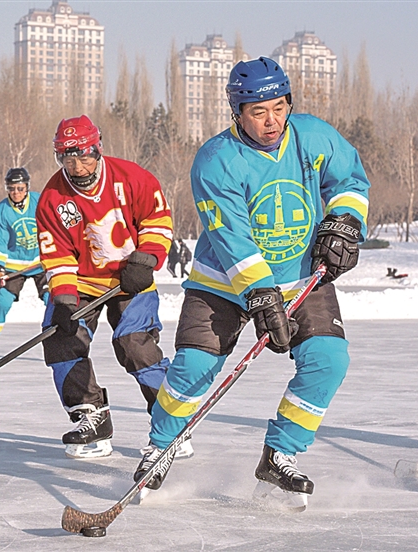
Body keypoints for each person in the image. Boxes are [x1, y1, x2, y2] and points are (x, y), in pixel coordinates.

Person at [133, 57, 370, 510]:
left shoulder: (314, 136)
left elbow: (350, 180)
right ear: (237, 112)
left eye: (279, 108)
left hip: (300, 276)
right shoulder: (216, 160)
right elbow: (232, 237)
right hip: (222, 281)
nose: (272, 121)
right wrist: (260, 294)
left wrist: (344, 220)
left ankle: (280, 455)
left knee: (328, 360)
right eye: (259, 112)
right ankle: (160, 446)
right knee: (194, 367)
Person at [36, 114, 187, 460]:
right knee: (61, 339)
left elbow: (157, 220)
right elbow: (57, 255)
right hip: (83, 281)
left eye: (84, 156)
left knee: (134, 344)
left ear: (97, 148)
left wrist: (146, 260)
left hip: (130, 278)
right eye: (67, 158)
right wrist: (64, 299)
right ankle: (90, 416)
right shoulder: (52, 198)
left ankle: (172, 420)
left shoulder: (132, 178)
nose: (77, 167)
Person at [0, 167, 49, 359]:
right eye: (11, 188)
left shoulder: (40, 201)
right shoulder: (1, 212)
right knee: (3, 300)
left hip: (41, 262)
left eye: (20, 188)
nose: (16, 192)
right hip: (14, 265)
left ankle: (58, 334)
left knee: (53, 298)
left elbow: (54, 224)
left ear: (27, 187)